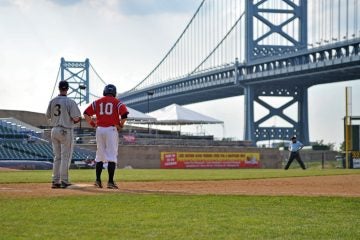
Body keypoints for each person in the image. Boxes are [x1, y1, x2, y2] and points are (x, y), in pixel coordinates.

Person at [83, 84, 128, 189]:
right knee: (111, 156)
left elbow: (86, 113)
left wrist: (93, 124)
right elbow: (124, 115)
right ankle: (110, 182)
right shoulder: (117, 102)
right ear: (114, 92)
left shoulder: (97, 102)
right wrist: (121, 125)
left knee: (99, 156)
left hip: (99, 130)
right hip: (111, 130)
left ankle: (98, 181)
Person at [46, 80, 81, 188]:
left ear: (59, 88)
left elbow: (48, 116)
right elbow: (76, 118)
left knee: (57, 157)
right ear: (68, 89)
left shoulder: (52, 101)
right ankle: (64, 181)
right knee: (65, 157)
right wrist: (74, 120)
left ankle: (55, 181)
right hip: (66, 130)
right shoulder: (70, 102)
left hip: (54, 129)